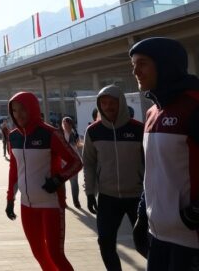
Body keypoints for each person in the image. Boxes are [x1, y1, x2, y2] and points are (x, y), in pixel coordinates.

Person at [129, 37, 199, 269]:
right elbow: (153, 172)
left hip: (190, 240)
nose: (136, 71)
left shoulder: (194, 106)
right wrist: (142, 214)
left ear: (165, 64)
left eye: (143, 63)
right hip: (157, 235)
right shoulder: (151, 114)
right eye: (133, 65)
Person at [5, 91, 82, 271]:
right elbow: (14, 169)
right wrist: (10, 198)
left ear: (32, 108)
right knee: (39, 253)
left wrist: (57, 180)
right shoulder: (13, 136)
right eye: (14, 111)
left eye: (23, 109)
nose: (19, 115)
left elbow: (76, 162)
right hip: (26, 205)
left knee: (55, 254)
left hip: (51, 204)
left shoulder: (50, 133)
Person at [83, 84, 144, 271]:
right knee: (105, 242)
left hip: (137, 196)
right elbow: (89, 163)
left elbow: (151, 163)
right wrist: (90, 192)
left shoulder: (138, 129)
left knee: (143, 243)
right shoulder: (94, 131)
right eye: (104, 103)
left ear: (121, 104)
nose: (108, 107)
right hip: (108, 198)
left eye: (112, 103)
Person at [61, 117, 82, 209]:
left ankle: (76, 201)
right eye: (64, 123)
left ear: (70, 124)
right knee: (62, 183)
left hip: (73, 162)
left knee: (74, 183)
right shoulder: (59, 134)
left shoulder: (74, 134)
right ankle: (63, 201)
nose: (65, 125)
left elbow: (78, 146)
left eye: (67, 123)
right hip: (62, 162)